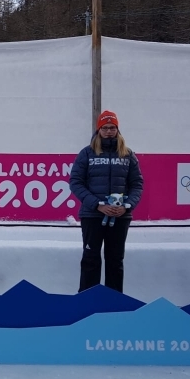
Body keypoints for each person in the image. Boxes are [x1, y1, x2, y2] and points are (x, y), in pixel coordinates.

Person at [69, 110, 143, 294]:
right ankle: (87, 300)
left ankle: (115, 301)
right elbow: (76, 182)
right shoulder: (87, 153)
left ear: (117, 130)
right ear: (99, 130)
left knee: (115, 260)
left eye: (112, 128)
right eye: (105, 128)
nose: (109, 131)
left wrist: (127, 206)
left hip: (120, 217)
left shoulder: (127, 155)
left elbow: (137, 184)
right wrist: (98, 205)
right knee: (91, 259)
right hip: (93, 215)